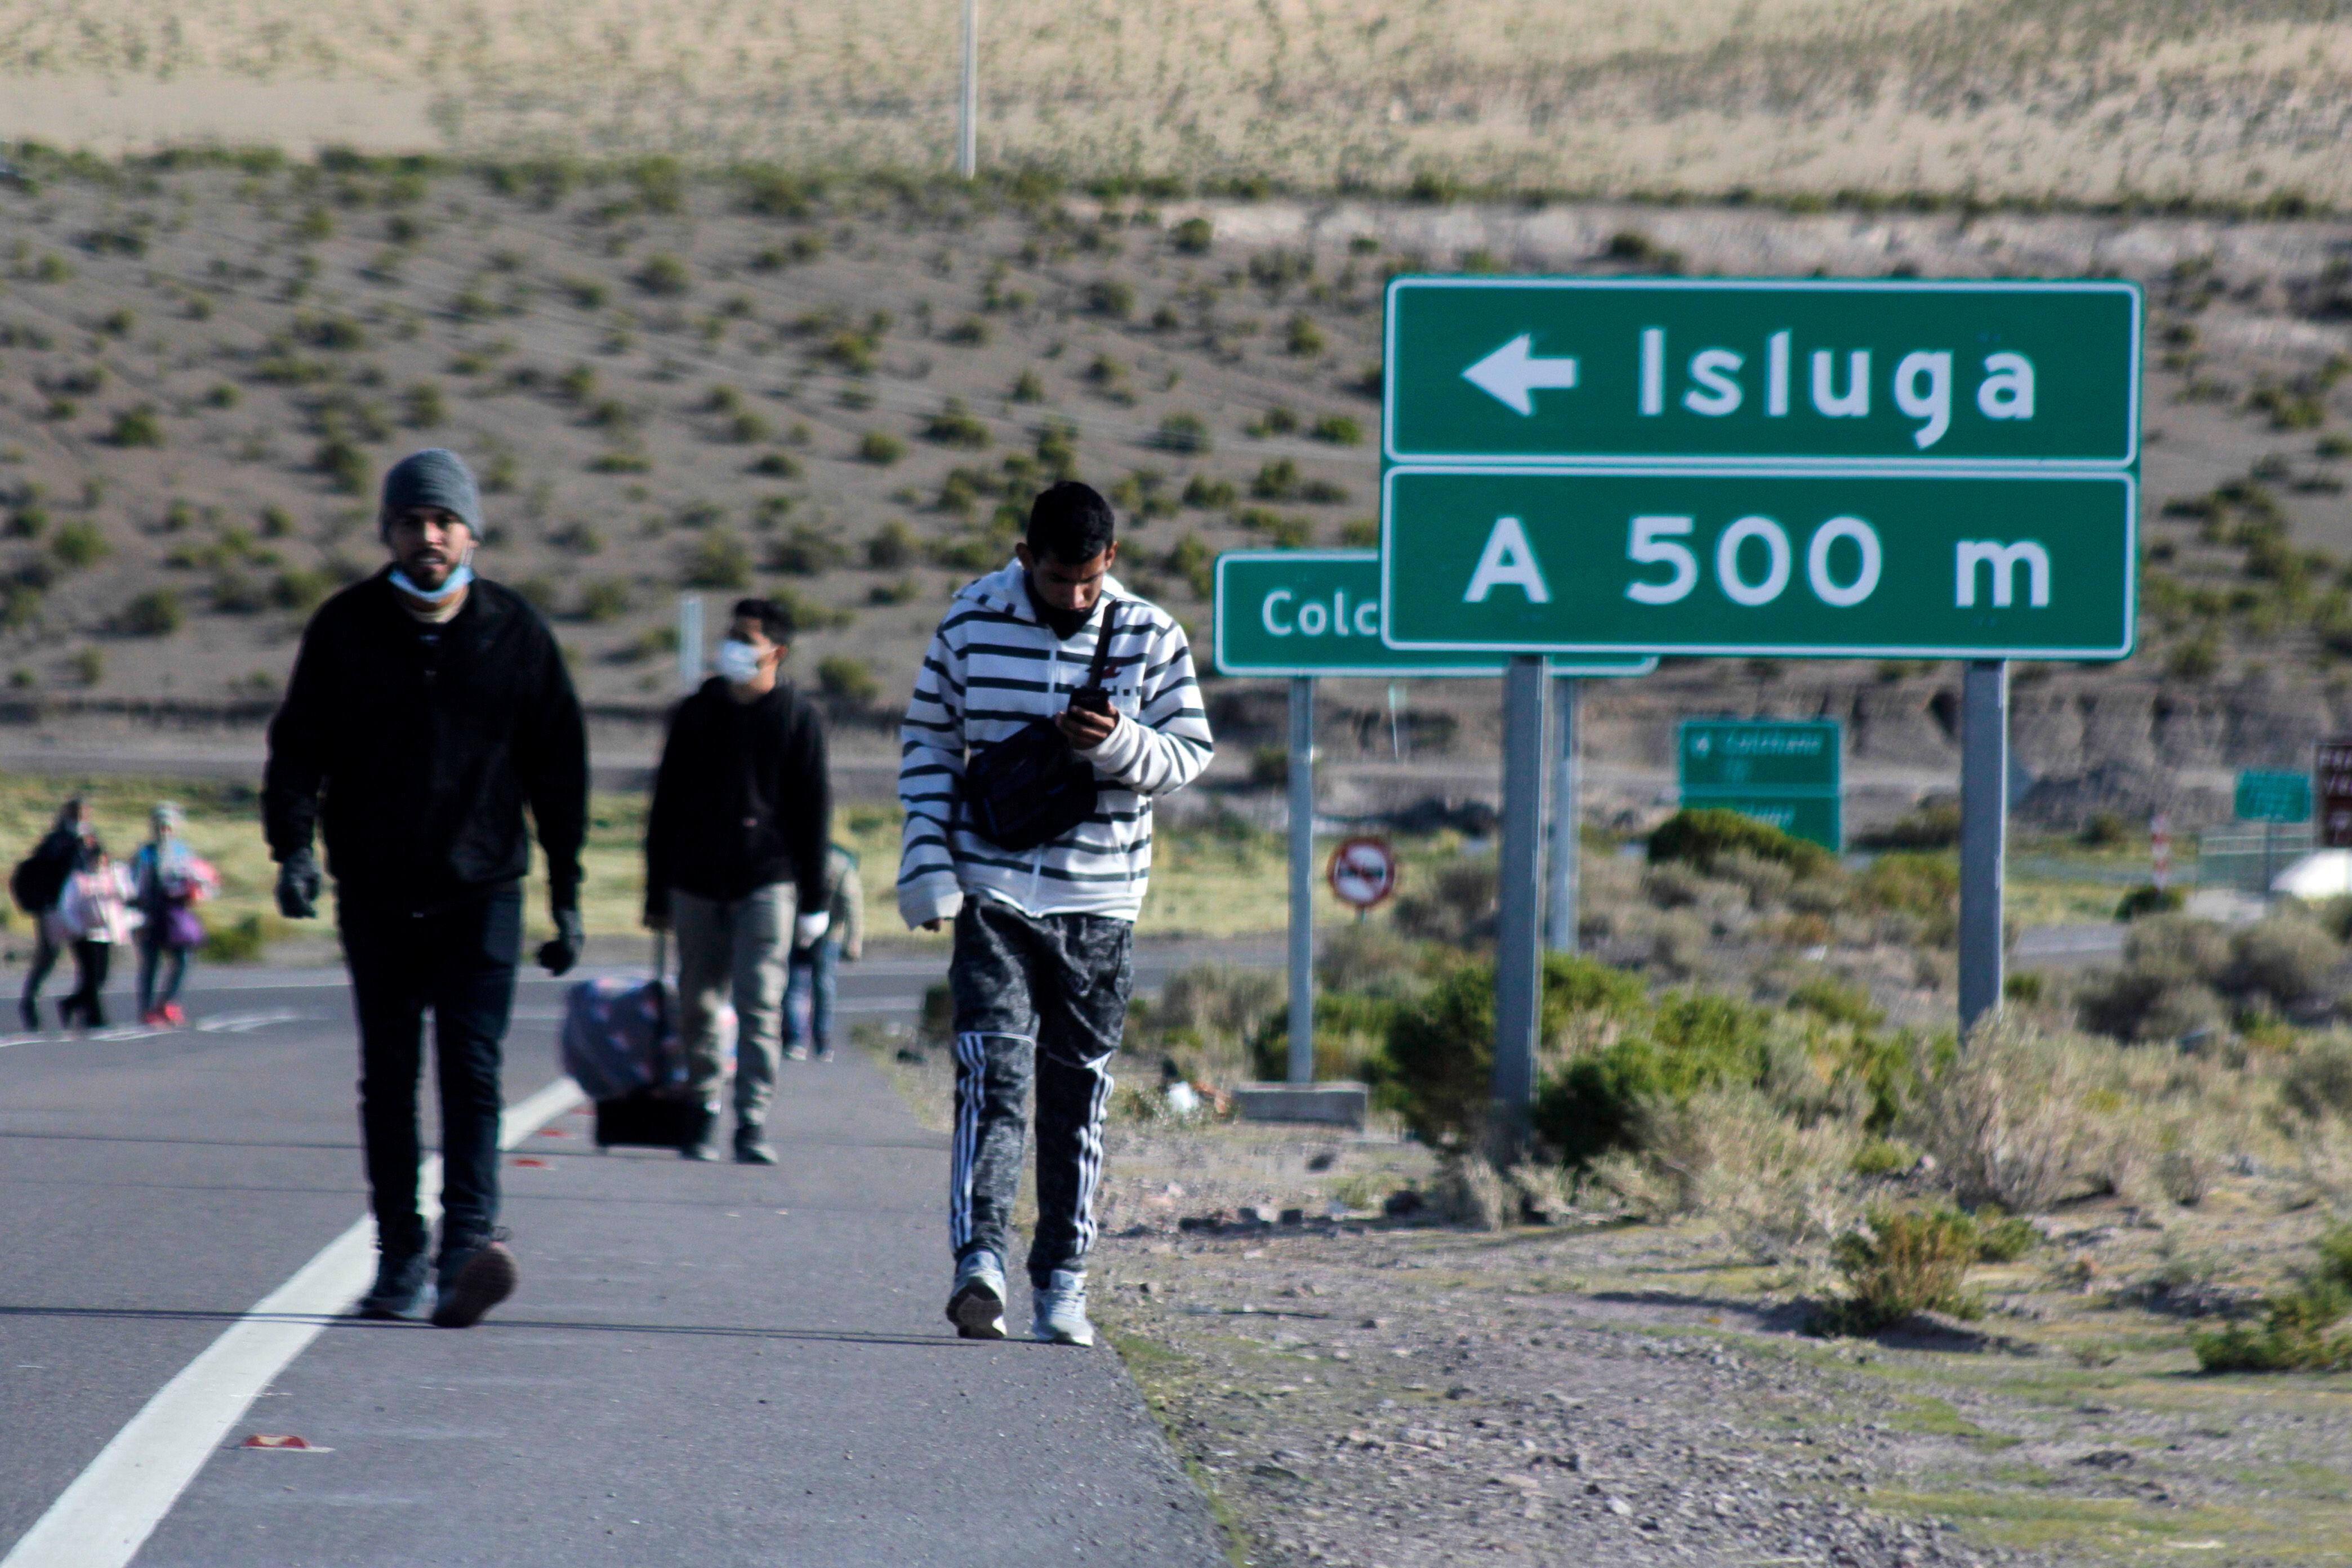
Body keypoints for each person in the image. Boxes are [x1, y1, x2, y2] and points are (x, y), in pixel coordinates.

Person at [264, 448, 587, 1330]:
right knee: (391, 1077)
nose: (430, 536)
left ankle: (468, 1248)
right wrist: (291, 848)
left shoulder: (515, 633)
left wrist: (566, 891)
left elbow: (558, 768)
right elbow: (299, 747)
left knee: (473, 1074)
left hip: (483, 888)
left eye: (445, 521)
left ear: (472, 531)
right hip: (376, 888)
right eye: (413, 521)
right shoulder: (346, 627)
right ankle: (400, 1255)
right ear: (389, 531)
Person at [898, 480, 1213, 1346]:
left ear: (1110, 561)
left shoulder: (1153, 634)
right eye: (1054, 579)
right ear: (1023, 555)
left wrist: (1115, 742)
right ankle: (979, 1264)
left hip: (1102, 898)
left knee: (1078, 1096)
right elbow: (929, 737)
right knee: (991, 1078)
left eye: (1087, 579)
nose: (1072, 597)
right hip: (991, 888)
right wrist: (927, 858)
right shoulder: (969, 621)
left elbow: (1188, 756)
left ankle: (1064, 1280)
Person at [643, 598, 832, 1164]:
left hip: (767, 880)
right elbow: (665, 805)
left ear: (775, 651)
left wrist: (815, 901)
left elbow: (813, 813)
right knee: (697, 1002)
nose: (732, 649)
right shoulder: (695, 712)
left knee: (760, 1001)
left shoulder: (798, 716)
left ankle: (751, 1119)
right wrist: (655, 891)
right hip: (695, 879)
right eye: (730, 637)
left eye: (745, 640)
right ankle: (701, 1109)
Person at [131, 803, 219, 1026]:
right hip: (149, 915)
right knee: (150, 964)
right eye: (160, 827)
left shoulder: (183, 852)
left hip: (175, 915)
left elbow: (198, 880)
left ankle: (168, 1003)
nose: (164, 832)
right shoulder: (144, 853)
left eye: (168, 827)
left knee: (183, 959)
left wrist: (195, 893)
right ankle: (147, 1010)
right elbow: (132, 885)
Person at [12, 798, 96, 1031]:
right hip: (53, 908)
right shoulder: (56, 841)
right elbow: (49, 871)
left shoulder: (88, 840)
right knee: (48, 956)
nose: (81, 819)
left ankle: (85, 1008)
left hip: (80, 909)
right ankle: (31, 1000)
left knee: (88, 961)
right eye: (76, 814)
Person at [782, 842, 864, 1062]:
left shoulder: (792, 857)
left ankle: (796, 1041)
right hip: (830, 934)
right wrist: (853, 942)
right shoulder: (842, 863)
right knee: (824, 986)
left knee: (795, 986)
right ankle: (822, 1040)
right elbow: (852, 903)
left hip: (795, 930)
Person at [54, 848, 136, 1030]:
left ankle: (71, 1004)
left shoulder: (112, 879)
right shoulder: (79, 880)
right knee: (90, 977)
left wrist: (117, 878)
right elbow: (66, 907)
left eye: (101, 860)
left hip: (106, 935)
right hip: (84, 936)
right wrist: (78, 927)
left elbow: (127, 896)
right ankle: (95, 1017)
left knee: (101, 977)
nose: (98, 863)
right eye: (95, 860)